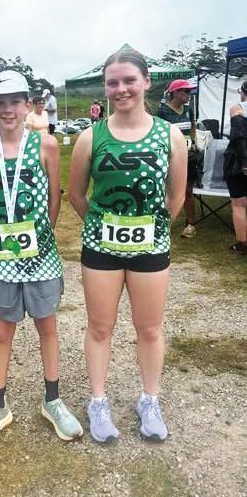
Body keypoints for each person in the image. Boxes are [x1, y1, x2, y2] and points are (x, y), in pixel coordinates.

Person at [69, 48, 187, 443]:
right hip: (101, 250)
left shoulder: (170, 135)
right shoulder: (91, 137)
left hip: (150, 249)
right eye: (113, 82)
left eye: (129, 80)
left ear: (146, 82)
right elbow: (77, 195)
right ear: (105, 87)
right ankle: (98, 402)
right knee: (100, 327)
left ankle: (149, 400)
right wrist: (100, 226)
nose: (121, 89)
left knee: (149, 329)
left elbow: (176, 196)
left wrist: (152, 228)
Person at [0, 70, 83, 447]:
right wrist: (3, 241)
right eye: (0, 102)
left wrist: (39, 238)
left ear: (28, 105)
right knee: (2, 331)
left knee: (47, 327)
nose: (8, 109)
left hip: (42, 255)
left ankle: (53, 400)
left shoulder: (46, 145)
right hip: (2, 256)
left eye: (16, 101)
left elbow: (53, 200)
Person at [156, 79, 197, 239]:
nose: (189, 94)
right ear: (175, 93)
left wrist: (192, 141)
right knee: (167, 191)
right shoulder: (162, 111)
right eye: (186, 91)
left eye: (189, 91)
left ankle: (190, 224)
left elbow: (193, 126)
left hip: (189, 156)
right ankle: (164, 224)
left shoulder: (188, 109)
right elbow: (157, 134)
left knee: (188, 191)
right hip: (169, 157)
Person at [223, 80, 247, 254]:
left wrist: (245, 162)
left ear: (243, 92)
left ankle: (243, 243)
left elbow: (238, 136)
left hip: (238, 162)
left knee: (239, 204)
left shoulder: (237, 109)